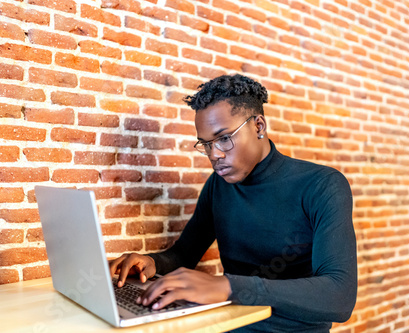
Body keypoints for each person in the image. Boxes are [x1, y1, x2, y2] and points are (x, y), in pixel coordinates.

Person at [109, 74, 357, 332]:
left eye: (224, 138)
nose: (214, 155)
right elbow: (184, 254)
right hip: (228, 325)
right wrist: (151, 262)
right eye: (206, 144)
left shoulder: (322, 185)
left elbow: (339, 297)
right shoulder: (218, 186)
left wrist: (228, 286)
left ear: (259, 126)